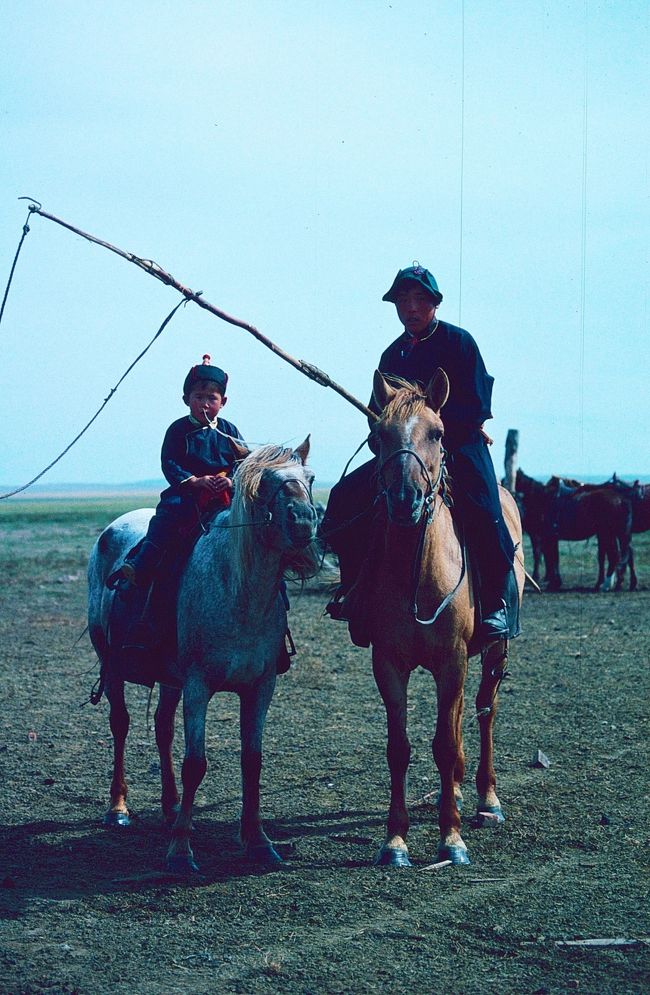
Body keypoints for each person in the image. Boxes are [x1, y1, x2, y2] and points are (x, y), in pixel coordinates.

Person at [322, 263, 518, 643]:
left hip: (457, 444)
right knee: (344, 497)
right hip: (403, 454)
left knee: (486, 508)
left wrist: (430, 419)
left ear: (435, 304)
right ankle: (353, 591)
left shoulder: (460, 344)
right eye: (403, 301)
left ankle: (496, 603)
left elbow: (478, 403)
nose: (411, 308)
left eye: (419, 300)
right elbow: (377, 412)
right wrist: (387, 431)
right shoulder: (391, 355)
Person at [107, 354, 294, 675]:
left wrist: (229, 477)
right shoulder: (179, 430)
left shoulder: (230, 430)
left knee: (260, 541)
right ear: (186, 399)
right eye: (199, 397)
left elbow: (243, 463)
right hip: (186, 497)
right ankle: (142, 566)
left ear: (224, 401)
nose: (205, 403)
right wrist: (195, 480)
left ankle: (277, 624)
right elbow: (170, 463)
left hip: (224, 498)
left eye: (212, 397)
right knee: (165, 523)